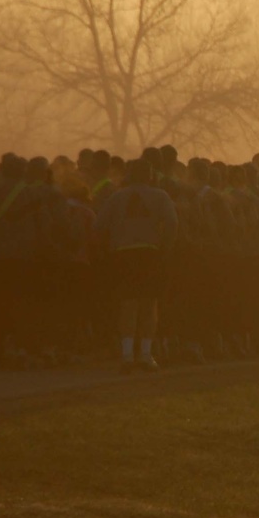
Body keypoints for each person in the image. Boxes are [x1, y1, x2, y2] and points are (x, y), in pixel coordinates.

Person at [94, 158, 178, 373]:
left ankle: (127, 355)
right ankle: (146, 354)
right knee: (149, 305)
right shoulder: (160, 196)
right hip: (150, 252)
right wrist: (164, 248)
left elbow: (99, 225)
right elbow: (172, 224)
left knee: (128, 305)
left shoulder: (116, 197)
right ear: (150, 175)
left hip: (123, 255)